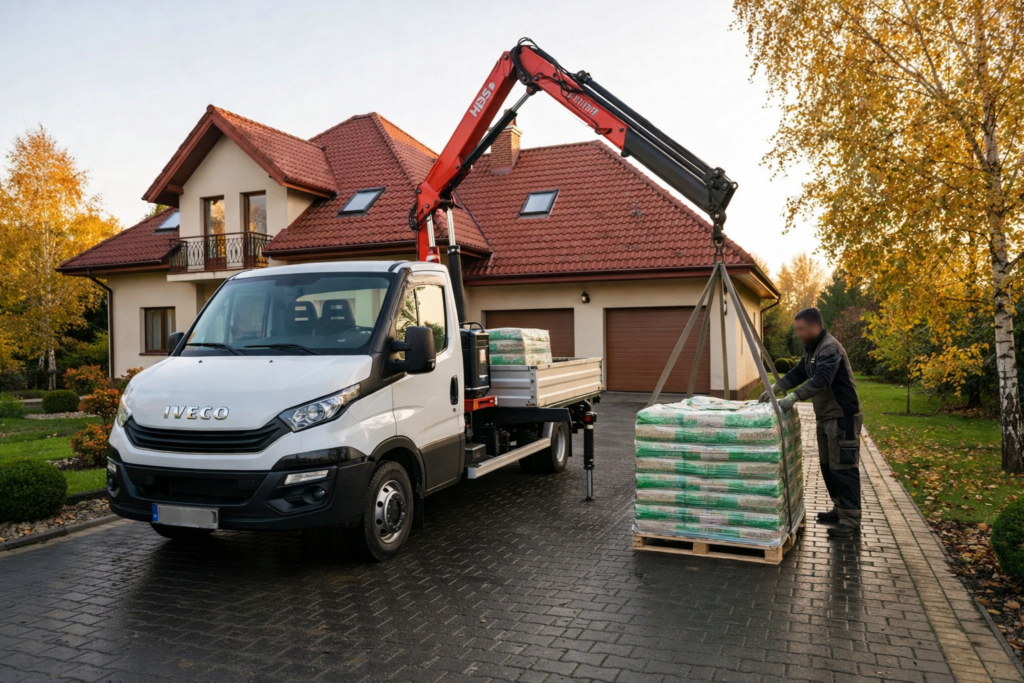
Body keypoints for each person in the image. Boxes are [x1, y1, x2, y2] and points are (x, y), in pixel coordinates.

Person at [759, 307, 863, 539]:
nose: (798, 333)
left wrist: (794, 397)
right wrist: (776, 387)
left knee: (843, 468)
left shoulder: (829, 347)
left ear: (815, 326)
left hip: (842, 417)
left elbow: (822, 379)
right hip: (826, 416)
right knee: (828, 467)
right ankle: (840, 509)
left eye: (801, 329)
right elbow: (799, 372)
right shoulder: (812, 349)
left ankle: (851, 520)